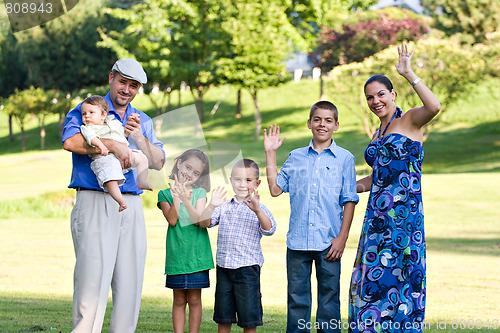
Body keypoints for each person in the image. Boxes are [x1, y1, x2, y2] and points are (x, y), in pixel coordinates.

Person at [62, 58, 165, 333]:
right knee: (92, 280)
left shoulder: (142, 119)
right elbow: (70, 142)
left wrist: (140, 139)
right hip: (95, 199)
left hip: (131, 202)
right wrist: (112, 145)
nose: (127, 89)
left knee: (130, 282)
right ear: (111, 78)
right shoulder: (88, 109)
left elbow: (158, 162)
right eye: (123, 82)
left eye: (134, 86)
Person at [347, 42, 441, 332]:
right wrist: (341, 186)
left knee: (400, 279)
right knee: (371, 280)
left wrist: (409, 73)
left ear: (393, 94)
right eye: (370, 97)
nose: (375, 101)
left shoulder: (409, 120)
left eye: (381, 94)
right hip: (377, 220)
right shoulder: (377, 134)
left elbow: (434, 106)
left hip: (403, 220)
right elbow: (376, 180)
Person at [264, 101, 359, 333]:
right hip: (298, 241)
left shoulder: (345, 159)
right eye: (317, 119)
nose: (322, 124)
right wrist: (270, 153)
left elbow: (349, 199)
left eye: (328, 120)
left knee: (329, 301)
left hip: (330, 243)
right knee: (297, 300)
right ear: (309, 123)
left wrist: (342, 238)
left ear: (336, 125)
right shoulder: (296, 157)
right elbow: (275, 189)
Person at [199, 159, 277, 333]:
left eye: (248, 181)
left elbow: (269, 229)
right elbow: (204, 223)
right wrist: (211, 204)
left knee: (249, 320)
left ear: (257, 183)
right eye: (237, 179)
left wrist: (257, 210)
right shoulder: (224, 207)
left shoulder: (260, 209)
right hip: (224, 268)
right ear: (231, 180)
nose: (242, 185)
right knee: (223, 317)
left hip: (247, 270)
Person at [157, 148, 215, 333]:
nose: (189, 174)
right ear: (179, 163)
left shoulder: (199, 193)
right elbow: (172, 220)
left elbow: (199, 220)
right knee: (179, 300)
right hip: (177, 256)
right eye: (187, 167)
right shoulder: (164, 195)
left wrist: (186, 199)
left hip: (197, 256)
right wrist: (177, 198)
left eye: (196, 172)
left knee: (195, 300)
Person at [80, 95, 152, 212]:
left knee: (142, 158)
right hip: (105, 159)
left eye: (91, 112)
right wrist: (101, 145)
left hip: (124, 156)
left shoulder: (113, 123)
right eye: (84, 114)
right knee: (110, 180)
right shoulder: (88, 128)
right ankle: (120, 201)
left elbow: (122, 135)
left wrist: (130, 124)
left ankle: (142, 182)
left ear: (103, 115)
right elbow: (91, 138)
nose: (87, 116)